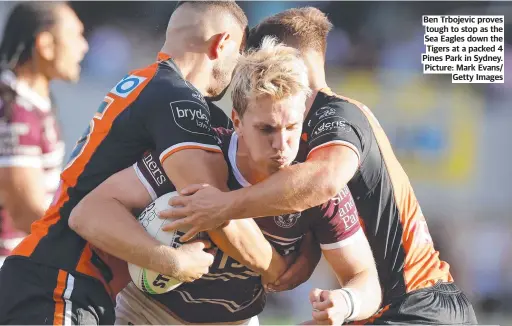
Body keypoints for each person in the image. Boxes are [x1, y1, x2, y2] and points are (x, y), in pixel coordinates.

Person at [161, 7, 478, 325]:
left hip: (414, 305)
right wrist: (310, 248)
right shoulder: (304, 132)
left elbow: (324, 182)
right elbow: (316, 199)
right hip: (385, 307)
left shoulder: (338, 115)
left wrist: (224, 206)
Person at [0, 2, 278, 325]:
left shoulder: (145, 82)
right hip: (62, 284)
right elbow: (210, 206)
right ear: (222, 43)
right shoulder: (179, 99)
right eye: (239, 52)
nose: (237, 67)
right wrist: (275, 267)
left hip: (52, 279)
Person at [77, 37, 381, 325]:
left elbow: (365, 278)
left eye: (291, 127)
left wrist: (345, 302)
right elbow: (89, 212)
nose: (281, 143)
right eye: (266, 129)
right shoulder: (196, 157)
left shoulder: (314, 183)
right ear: (236, 121)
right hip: (147, 313)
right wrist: (169, 260)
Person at [0, 2, 88, 265]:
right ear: (46, 45)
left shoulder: (31, 98)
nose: (83, 47)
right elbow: (24, 213)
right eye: (76, 35)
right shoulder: (14, 110)